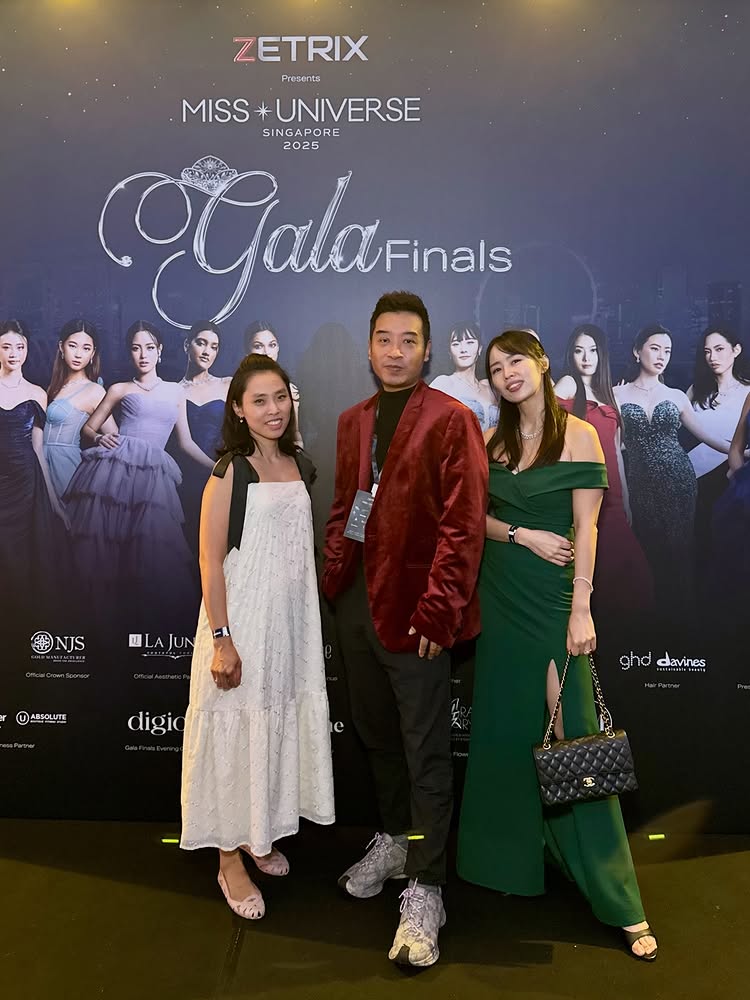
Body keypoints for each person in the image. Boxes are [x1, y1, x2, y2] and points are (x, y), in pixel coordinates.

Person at [457, 329, 658, 962]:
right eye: (496, 368)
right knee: (507, 730)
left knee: (573, 735)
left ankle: (617, 896)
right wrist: (521, 534)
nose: (507, 374)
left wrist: (581, 608)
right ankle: (509, 859)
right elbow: (471, 519)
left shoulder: (580, 434)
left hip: (554, 603)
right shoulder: (492, 440)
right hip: (502, 598)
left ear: (542, 363)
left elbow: (587, 527)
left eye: (516, 360)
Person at [323, 290, 487, 968]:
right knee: (377, 736)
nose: (395, 352)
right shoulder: (353, 420)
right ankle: (394, 841)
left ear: (427, 349)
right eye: (384, 339)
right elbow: (346, 506)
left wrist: (439, 612)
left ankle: (427, 888)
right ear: (369, 348)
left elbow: (463, 524)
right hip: (357, 609)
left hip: (420, 614)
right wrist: (335, 578)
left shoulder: (451, 418)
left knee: (425, 753)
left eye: (408, 340)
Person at [180, 353, 335, 920]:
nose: (274, 409)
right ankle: (228, 859)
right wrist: (223, 638)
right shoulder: (230, 470)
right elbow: (210, 559)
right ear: (239, 410)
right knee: (233, 729)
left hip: (288, 626)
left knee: (269, 726)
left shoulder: (299, 463)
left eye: (280, 397)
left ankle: (255, 834)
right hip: (242, 619)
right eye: (259, 400)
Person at [64, 320, 213, 622]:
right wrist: (100, 438)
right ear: (129, 353)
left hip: (153, 477)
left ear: (160, 350)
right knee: (108, 547)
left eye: (149, 347)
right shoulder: (120, 389)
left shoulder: (175, 392)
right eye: (136, 348)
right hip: (115, 472)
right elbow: (89, 429)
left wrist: (218, 467)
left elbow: (185, 442)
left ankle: (143, 625)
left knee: (152, 551)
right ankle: (107, 625)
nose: (143, 355)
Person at [614, 324, 733, 613]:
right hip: (640, 483)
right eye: (655, 348)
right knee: (648, 552)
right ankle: (653, 621)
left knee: (680, 553)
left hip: (679, 481)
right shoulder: (616, 394)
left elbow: (708, 437)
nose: (661, 356)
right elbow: (615, 450)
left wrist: (743, 451)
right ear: (637, 351)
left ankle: (682, 622)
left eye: (667, 351)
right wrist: (624, 496)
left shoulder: (677, 395)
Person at [555, 324, 653, 617]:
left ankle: (619, 632)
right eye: (579, 351)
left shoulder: (609, 395)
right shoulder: (567, 385)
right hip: (582, 491)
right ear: (571, 355)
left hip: (613, 495)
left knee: (631, 572)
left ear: (602, 355)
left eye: (593, 351)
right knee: (597, 570)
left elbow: (617, 454)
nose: (586, 358)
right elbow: (550, 436)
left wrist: (626, 501)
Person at [0, 320, 68, 624]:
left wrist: (53, 501)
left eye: (20, 347)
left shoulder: (37, 393)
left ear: (27, 349)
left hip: (26, 483)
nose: (13, 353)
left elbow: (39, 449)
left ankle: (19, 626)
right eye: (6, 347)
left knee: (23, 561)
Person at [686, 328, 750, 576]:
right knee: (696, 545)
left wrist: (738, 469)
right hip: (692, 476)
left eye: (719, 349)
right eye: (707, 352)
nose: (712, 357)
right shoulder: (696, 390)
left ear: (736, 350)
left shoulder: (747, 392)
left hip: (731, 477)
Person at [44, 319, 117, 497]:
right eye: (72, 346)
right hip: (40, 464)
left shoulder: (95, 391)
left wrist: (97, 439)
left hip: (65, 466)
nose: (78, 354)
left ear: (93, 353)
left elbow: (114, 438)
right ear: (61, 347)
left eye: (86, 348)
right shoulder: (54, 386)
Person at [178, 320, 232, 551]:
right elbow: (184, 443)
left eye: (214, 346)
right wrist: (217, 469)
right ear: (186, 345)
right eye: (201, 343)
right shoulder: (175, 390)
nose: (207, 351)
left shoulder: (227, 384)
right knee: (191, 544)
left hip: (224, 473)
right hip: (188, 477)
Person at [429, 323, 498, 432]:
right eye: (456, 344)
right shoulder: (443, 383)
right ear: (449, 352)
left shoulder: (489, 387)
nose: (463, 349)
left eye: (470, 342)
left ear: (480, 349)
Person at [244, 321, 303, 446]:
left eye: (272, 345)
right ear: (248, 351)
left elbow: (295, 433)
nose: (266, 352)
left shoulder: (289, 389)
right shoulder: (237, 387)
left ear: (278, 348)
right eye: (258, 346)